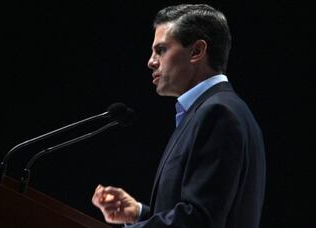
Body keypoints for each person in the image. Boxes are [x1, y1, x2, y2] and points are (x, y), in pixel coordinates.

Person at [92, 4, 266, 228]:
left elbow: (200, 221)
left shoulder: (219, 113)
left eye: (161, 50)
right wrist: (139, 214)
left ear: (197, 51)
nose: (151, 61)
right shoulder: (215, 109)